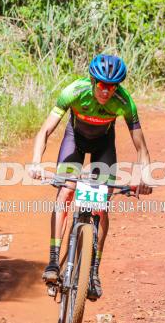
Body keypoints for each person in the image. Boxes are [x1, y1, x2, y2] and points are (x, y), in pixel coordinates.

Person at [27, 54, 152, 300]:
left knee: (102, 205)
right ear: (94, 81)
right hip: (75, 139)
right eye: (103, 85)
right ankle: (53, 262)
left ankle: (93, 272)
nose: (107, 91)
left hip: (103, 144)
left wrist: (144, 176)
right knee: (66, 191)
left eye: (112, 86)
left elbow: (141, 147)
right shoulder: (74, 92)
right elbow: (45, 130)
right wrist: (35, 162)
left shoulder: (124, 102)